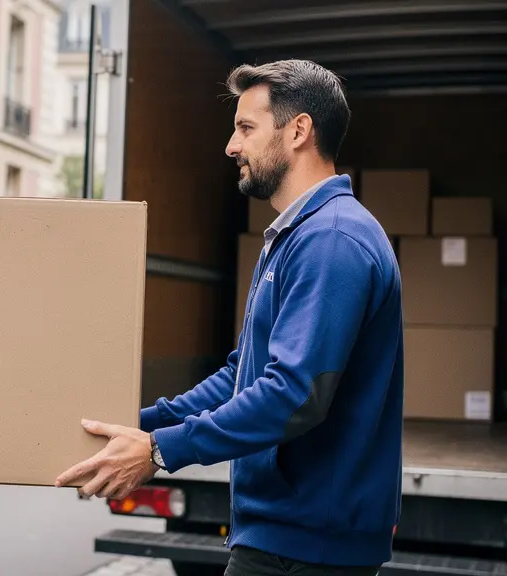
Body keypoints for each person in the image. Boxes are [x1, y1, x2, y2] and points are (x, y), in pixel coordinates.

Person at [57, 59, 403, 575]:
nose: (231, 146)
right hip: (283, 537)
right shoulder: (294, 236)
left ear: (299, 131)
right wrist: (139, 423)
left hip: (307, 549)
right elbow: (241, 374)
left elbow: (293, 395)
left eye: (245, 128)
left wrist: (157, 450)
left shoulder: (331, 240)